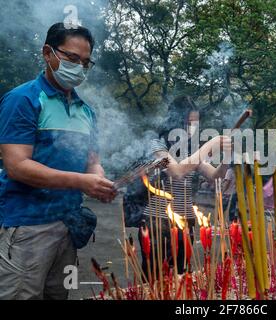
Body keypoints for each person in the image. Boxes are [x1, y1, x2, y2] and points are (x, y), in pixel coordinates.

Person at [0, 23, 117, 300]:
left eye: (85, 63)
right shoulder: (23, 99)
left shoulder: (85, 110)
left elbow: (92, 160)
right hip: (28, 226)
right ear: (47, 53)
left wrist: (98, 179)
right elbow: (17, 166)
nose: (79, 68)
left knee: (59, 295)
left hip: (69, 225)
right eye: (72, 58)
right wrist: (81, 182)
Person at [124, 95, 231, 275]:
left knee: (182, 277)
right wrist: (210, 144)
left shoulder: (190, 150)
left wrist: (227, 156)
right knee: (155, 279)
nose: (193, 128)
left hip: (186, 221)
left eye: (196, 123)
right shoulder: (156, 145)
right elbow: (176, 171)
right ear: (176, 120)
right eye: (190, 123)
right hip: (157, 222)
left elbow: (215, 176)